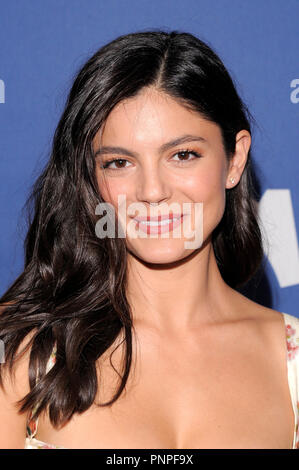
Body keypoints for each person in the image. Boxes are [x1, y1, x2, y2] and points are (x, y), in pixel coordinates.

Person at [0, 29, 298, 450]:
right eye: (119, 162)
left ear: (235, 159)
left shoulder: (293, 364)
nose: (152, 191)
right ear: (91, 177)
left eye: (183, 155)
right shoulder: (20, 351)